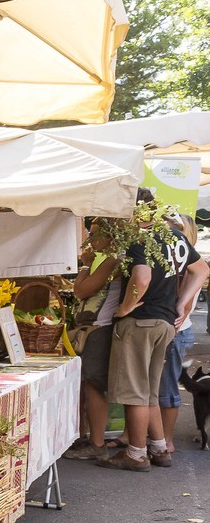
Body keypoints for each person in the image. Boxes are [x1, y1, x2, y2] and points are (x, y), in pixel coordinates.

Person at [99, 194, 206, 471]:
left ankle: (136, 454)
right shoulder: (174, 236)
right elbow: (201, 269)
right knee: (148, 390)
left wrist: (125, 307)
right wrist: (181, 304)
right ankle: (158, 448)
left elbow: (143, 278)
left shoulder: (140, 238)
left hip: (140, 321)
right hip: (165, 323)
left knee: (135, 391)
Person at [64, 222, 125, 461]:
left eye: (95, 231)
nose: (89, 237)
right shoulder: (108, 259)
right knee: (88, 383)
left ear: (110, 235)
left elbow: (81, 290)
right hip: (94, 327)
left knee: (93, 383)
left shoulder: (111, 260)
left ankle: (97, 442)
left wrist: (86, 265)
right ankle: (87, 437)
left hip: (99, 328)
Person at [155, 214, 207, 459]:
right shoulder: (181, 264)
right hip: (175, 332)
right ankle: (160, 438)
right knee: (161, 387)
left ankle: (167, 441)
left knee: (167, 389)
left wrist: (169, 332)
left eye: (174, 230)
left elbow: (183, 308)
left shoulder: (188, 266)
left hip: (175, 332)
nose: (168, 234)